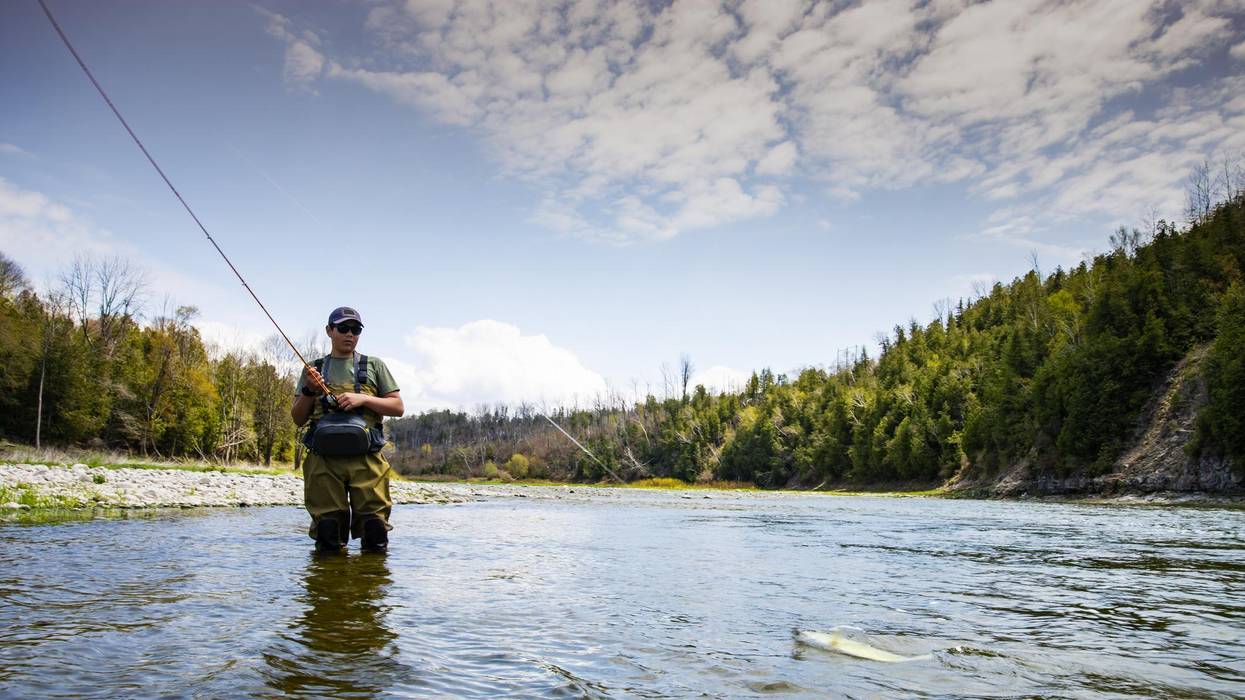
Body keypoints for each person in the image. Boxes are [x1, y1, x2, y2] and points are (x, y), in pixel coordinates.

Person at [292, 306, 404, 553]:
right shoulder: (312, 369)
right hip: (323, 462)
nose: (349, 334)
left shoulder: (375, 365)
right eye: (343, 328)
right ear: (329, 331)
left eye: (355, 329)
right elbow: (298, 419)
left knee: (375, 531)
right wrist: (310, 390)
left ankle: (369, 586)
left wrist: (362, 399)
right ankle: (329, 588)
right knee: (328, 533)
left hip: (367, 459)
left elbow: (397, 407)